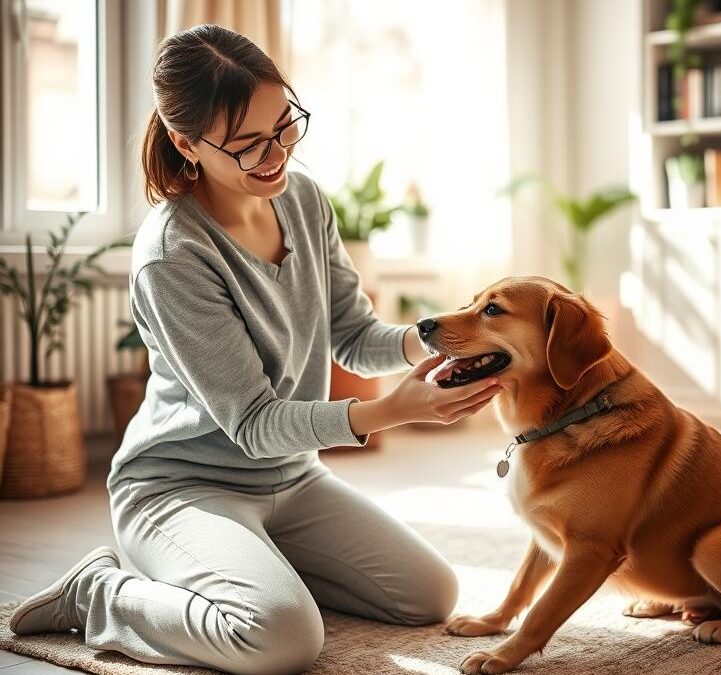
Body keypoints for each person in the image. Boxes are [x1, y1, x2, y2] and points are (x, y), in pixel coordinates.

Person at [10, 24, 501, 675]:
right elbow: (252, 423)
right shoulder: (173, 254)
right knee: (281, 641)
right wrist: (390, 413)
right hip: (180, 486)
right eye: (248, 144)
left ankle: (252, 565)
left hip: (292, 479)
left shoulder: (302, 200)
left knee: (429, 594)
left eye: (285, 124)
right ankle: (101, 591)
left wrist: (436, 338)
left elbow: (354, 336)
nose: (277, 153)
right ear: (187, 142)